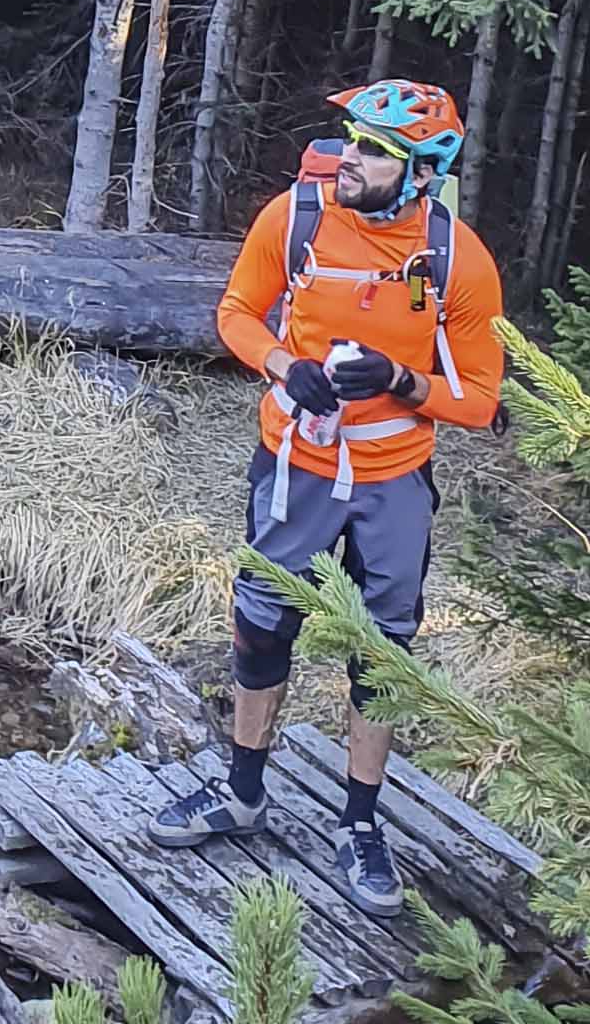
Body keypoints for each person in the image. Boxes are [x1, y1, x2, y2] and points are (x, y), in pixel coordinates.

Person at [148, 76, 503, 917]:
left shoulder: (457, 258)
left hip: (394, 483)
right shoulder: (296, 216)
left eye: (377, 151)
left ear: (422, 173)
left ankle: (361, 822)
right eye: (353, 138)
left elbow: (481, 399)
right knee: (262, 622)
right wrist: (285, 367)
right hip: (295, 465)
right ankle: (243, 791)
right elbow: (237, 313)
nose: (352, 157)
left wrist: (400, 381)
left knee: (384, 650)